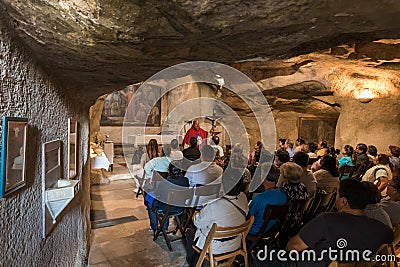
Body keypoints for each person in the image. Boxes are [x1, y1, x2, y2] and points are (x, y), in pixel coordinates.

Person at [286, 179, 394, 267]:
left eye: (337, 194)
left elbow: (293, 246)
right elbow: (390, 238)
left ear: (343, 201)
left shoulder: (326, 220)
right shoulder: (380, 228)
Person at [185, 169, 248, 267]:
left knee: (189, 233)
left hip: (215, 247)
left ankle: (194, 263)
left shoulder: (215, 204)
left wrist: (196, 214)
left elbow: (197, 222)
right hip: (235, 243)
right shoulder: (243, 198)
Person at [248, 163, 286, 235]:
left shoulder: (259, 198)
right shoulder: (283, 195)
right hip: (270, 230)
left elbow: (248, 215)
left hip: (253, 230)